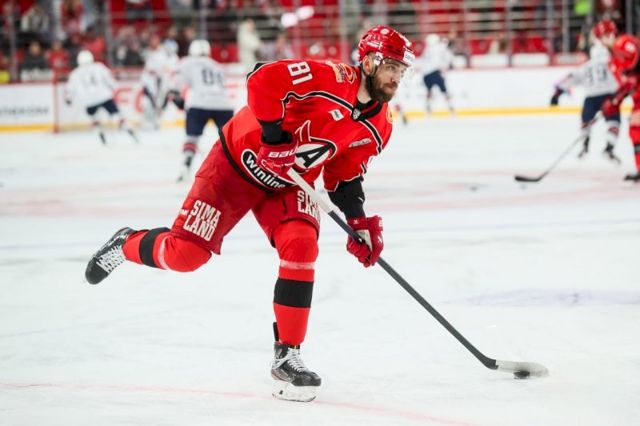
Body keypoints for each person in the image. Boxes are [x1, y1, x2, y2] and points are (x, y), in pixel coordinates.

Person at [84, 25, 415, 402]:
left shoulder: (380, 125)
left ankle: (287, 355)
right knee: (185, 255)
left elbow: (344, 175)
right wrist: (274, 139)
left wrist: (358, 221)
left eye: (401, 71)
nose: (396, 78)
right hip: (237, 163)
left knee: (302, 244)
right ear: (369, 62)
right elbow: (262, 79)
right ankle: (125, 243)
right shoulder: (328, 77)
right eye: (391, 67)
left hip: (290, 182)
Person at [550, 32, 620, 162]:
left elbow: (571, 78)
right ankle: (609, 147)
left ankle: (584, 146)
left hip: (591, 98)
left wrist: (557, 94)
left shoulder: (586, 67)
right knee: (613, 122)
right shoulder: (612, 64)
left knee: (586, 121)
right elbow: (622, 79)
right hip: (609, 97)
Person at [173, 39, 235, 182]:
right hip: (224, 104)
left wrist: (176, 97)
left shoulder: (188, 62)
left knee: (192, 138)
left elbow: (177, 83)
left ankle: (186, 165)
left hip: (199, 102)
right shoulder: (216, 65)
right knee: (229, 142)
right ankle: (235, 169)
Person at [594, 19, 640, 182]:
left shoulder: (625, 43)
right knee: (635, 131)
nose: (607, 38)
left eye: (608, 34)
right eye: (603, 36)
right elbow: (627, 85)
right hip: (638, 98)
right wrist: (614, 101)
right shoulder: (613, 62)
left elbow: (635, 62)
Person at [65, 50, 138, 144]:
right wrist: (114, 87)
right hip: (104, 96)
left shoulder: (75, 73)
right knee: (116, 114)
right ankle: (125, 126)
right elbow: (110, 79)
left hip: (88, 100)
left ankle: (99, 130)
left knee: (94, 117)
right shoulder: (99, 67)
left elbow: (69, 89)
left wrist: (69, 99)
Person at [418, 33, 454, 115]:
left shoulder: (426, 49)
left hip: (426, 74)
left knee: (429, 91)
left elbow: (422, 61)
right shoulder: (439, 47)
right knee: (444, 91)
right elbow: (448, 53)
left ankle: (428, 108)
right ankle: (450, 107)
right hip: (435, 72)